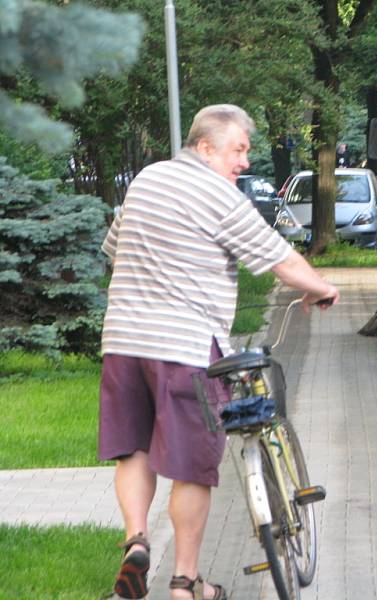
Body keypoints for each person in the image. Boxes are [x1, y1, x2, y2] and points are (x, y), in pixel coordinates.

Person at [98, 104, 339, 600]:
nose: (245, 161)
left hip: (122, 341)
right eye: (239, 149)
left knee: (133, 449)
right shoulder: (218, 195)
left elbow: (113, 248)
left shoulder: (146, 179)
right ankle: (186, 583)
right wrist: (321, 287)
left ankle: (136, 542)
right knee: (192, 466)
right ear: (205, 147)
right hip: (184, 348)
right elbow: (280, 259)